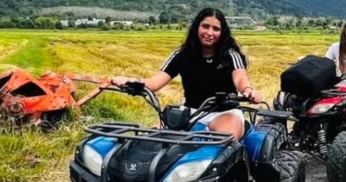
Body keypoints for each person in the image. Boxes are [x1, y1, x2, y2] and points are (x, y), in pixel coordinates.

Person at [111, 7, 261, 141]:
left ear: (222, 33)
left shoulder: (230, 55)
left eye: (216, 29)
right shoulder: (182, 54)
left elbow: (240, 78)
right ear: (197, 27)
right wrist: (129, 81)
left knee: (223, 143)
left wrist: (248, 91)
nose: (210, 33)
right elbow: (154, 83)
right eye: (205, 26)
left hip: (224, 113)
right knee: (152, 140)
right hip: (190, 113)